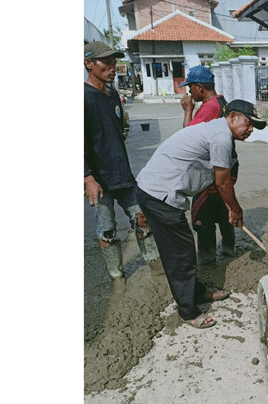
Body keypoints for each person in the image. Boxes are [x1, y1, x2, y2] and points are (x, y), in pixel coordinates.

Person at [135, 100, 267, 329]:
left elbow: (220, 181)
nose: (251, 129)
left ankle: (196, 292)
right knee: (180, 254)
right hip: (159, 194)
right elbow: (223, 181)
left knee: (182, 251)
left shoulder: (216, 130)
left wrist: (230, 208)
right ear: (233, 117)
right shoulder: (221, 137)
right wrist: (235, 209)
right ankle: (188, 311)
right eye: (248, 123)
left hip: (157, 189)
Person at [84, 41, 164, 288]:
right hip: (100, 180)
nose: (112, 67)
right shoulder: (82, 99)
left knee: (142, 219)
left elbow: (119, 132)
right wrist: (88, 178)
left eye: (113, 61)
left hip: (123, 175)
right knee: (107, 231)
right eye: (106, 62)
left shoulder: (113, 97)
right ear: (89, 64)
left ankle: (156, 267)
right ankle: (117, 277)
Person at [179, 65, 237, 264]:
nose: (189, 92)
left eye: (190, 88)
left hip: (211, 171)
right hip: (225, 165)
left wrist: (188, 110)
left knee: (203, 214)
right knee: (222, 207)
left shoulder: (210, 107)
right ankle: (229, 249)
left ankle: (207, 258)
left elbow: (188, 136)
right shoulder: (220, 102)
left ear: (200, 88)